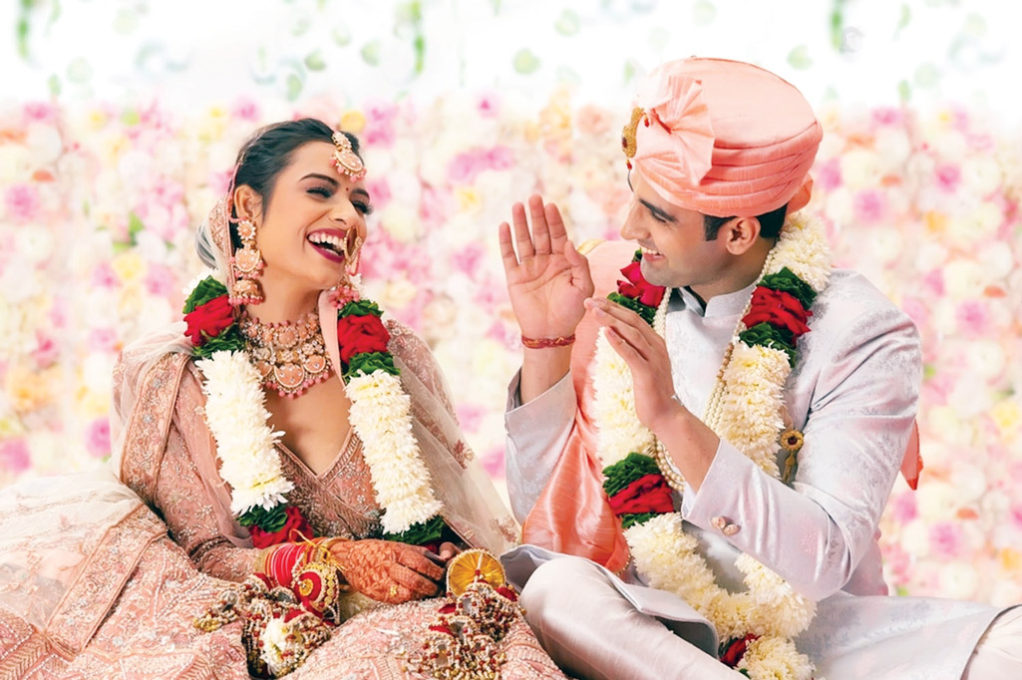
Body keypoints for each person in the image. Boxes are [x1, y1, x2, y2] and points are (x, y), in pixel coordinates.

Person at [498, 58, 1021, 680]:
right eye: (635, 197)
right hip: (649, 621)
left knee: (1011, 646)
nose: (629, 227)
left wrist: (670, 418)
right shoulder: (613, 285)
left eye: (658, 215)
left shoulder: (859, 333)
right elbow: (549, 516)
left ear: (740, 233)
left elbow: (824, 558)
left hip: (816, 636)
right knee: (554, 591)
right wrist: (547, 340)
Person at [0, 118, 566, 679]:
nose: (348, 217)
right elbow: (198, 559)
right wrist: (331, 562)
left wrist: (437, 559)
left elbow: (452, 521)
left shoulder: (394, 354)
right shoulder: (172, 377)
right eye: (321, 191)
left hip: (413, 626)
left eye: (359, 204)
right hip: (273, 632)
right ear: (248, 206)